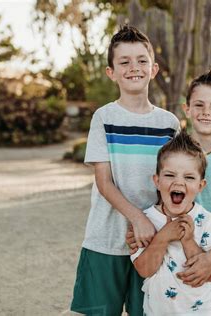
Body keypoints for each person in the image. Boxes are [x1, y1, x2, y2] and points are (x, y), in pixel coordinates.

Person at [70, 25, 180, 315]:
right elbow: (104, 182)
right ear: (112, 72)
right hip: (105, 239)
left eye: (142, 60)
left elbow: (173, 183)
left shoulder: (170, 124)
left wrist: (155, 225)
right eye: (124, 62)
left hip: (152, 243)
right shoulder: (104, 117)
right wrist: (137, 218)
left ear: (154, 69)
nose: (134, 68)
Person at [128, 68, 211, 315]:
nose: (206, 112)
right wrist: (140, 227)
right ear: (187, 109)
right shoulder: (172, 152)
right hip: (165, 265)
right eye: (199, 105)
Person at [131, 130, 211, 315]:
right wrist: (163, 236)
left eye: (189, 177)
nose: (178, 183)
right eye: (170, 175)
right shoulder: (144, 221)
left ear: (200, 185)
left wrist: (188, 240)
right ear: (156, 181)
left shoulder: (207, 220)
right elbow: (145, 270)